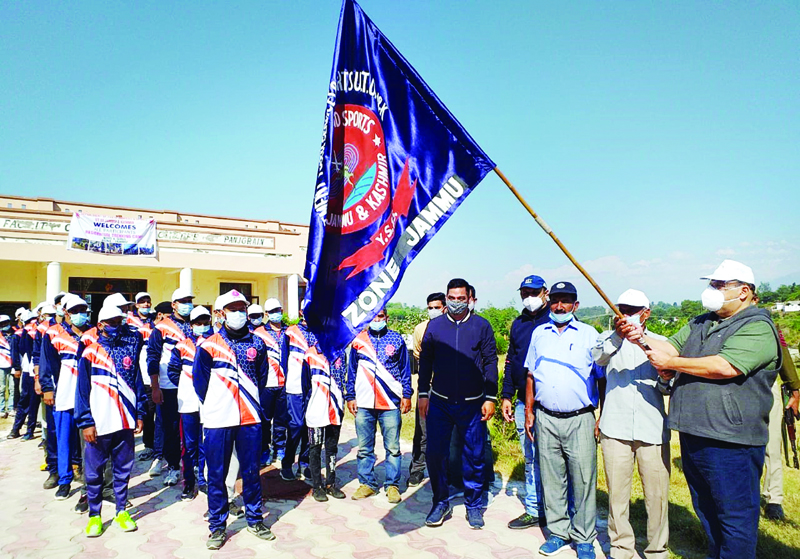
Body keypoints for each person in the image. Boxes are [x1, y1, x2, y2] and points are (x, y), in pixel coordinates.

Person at [622, 260, 781, 559]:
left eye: (720, 285)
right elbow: (670, 346)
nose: (712, 290)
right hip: (694, 432)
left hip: (732, 441)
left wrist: (671, 364)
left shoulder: (757, 327)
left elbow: (725, 366)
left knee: (735, 517)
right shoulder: (702, 322)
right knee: (707, 510)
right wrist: (641, 337)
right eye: (712, 284)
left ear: (744, 292)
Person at [524, 281, 604, 559]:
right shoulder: (539, 333)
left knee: (583, 480)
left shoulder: (590, 335)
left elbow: (601, 378)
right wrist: (529, 411)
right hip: (545, 417)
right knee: (551, 478)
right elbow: (531, 374)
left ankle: (584, 537)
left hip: (580, 418)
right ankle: (558, 532)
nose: (559, 306)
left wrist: (601, 416)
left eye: (566, 301)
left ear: (575, 305)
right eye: (556, 300)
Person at [193, 289, 275, 550]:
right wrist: (218, 405)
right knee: (217, 474)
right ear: (220, 313)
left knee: (251, 472)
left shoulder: (257, 343)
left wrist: (253, 405)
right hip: (218, 420)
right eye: (233, 309)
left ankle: (254, 519)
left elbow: (262, 378)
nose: (239, 313)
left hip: (250, 419)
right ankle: (217, 526)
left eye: (242, 308)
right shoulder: (208, 346)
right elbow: (200, 384)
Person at [593, 289, 670, 559]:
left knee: (657, 496)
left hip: (653, 428)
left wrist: (665, 375)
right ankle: (620, 548)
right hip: (615, 428)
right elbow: (598, 359)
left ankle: (657, 550)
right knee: (617, 495)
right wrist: (618, 336)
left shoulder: (661, 343)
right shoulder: (607, 339)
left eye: (632, 311)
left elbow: (668, 385)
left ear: (646, 313)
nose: (625, 315)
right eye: (621, 310)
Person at [418, 278, 498, 529]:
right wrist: (422, 394)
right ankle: (440, 502)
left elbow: (490, 362)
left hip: (472, 403)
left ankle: (474, 505)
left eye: (461, 298)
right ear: (446, 298)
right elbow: (425, 362)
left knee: (474, 455)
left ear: (470, 299)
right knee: (435, 454)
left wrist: (491, 397)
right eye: (451, 298)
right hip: (440, 402)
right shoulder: (435, 327)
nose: (455, 302)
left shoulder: (481, 326)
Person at [75, 304, 145, 537]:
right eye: (112, 323)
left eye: (119, 322)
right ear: (100, 325)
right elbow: (82, 391)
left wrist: (139, 413)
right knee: (94, 472)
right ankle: (95, 515)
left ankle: (121, 511)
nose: (117, 326)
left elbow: (137, 382)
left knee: (123, 469)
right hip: (99, 422)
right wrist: (86, 422)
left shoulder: (129, 349)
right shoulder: (90, 352)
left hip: (124, 421)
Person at [346, 308, 412, 503]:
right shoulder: (358, 340)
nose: (377, 320)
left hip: (390, 402)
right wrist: (350, 396)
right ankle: (367, 483)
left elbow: (405, 369)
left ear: (387, 318)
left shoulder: (396, 339)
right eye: (373, 316)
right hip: (364, 402)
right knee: (364, 448)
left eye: (380, 316)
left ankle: (392, 485)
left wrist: (407, 395)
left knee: (392, 447)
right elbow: (352, 370)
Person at [501, 275, 550, 530]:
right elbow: (511, 360)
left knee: (554, 460)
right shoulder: (518, 324)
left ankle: (558, 511)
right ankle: (533, 509)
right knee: (530, 458)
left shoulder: (554, 321)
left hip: (550, 403)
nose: (529, 297)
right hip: (523, 402)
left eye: (534, 292)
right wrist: (506, 395)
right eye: (525, 293)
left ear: (545, 292)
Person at [39, 295, 92, 500]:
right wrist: (47, 388)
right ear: (67, 314)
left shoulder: (93, 333)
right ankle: (64, 480)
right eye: (75, 311)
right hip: (64, 392)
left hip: (88, 395)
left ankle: (90, 480)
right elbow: (46, 363)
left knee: (90, 440)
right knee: (63, 438)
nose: (79, 315)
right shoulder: (54, 334)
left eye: (83, 310)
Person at [146, 288, 195, 485]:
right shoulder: (161, 328)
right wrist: (155, 386)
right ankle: (173, 466)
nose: (187, 305)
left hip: (193, 385)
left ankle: (194, 465)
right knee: (171, 428)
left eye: (189, 300)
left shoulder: (196, 324)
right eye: (183, 301)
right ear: (173, 305)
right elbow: (152, 357)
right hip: (169, 386)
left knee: (193, 428)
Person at [167, 305, 212, 500]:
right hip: (187, 403)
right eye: (198, 323)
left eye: (205, 322)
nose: (202, 326)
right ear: (191, 325)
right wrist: (187, 385)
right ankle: (189, 482)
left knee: (206, 443)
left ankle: (204, 480)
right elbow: (172, 371)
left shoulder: (215, 344)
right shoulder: (181, 346)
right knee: (189, 445)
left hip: (209, 401)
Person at [761, 327, 800, 520]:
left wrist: (794, 387)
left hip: (766, 385)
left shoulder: (766, 324)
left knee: (772, 446)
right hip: (731, 387)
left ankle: (773, 498)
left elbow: (783, 352)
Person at [408, 292, 446, 487]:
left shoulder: (452, 328)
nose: (433, 311)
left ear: (444, 308)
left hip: (448, 388)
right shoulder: (420, 329)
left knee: (446, 432)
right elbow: (418, 356)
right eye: (430, 308)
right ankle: (417, 468)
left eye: (436, 307)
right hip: (427, 388)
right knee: (422, 430)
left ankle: (444, 470)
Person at [303, 345, 346, 501]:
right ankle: (317, 486)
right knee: (315, 448)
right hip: (316, 409)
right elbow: (305, 385)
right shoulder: (309, 355)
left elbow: (344, 379)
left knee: (332, 448)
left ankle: (330, 484)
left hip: (335, 408)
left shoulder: (340, 353)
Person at [252, 298, 288, 466]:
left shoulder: (289, 332)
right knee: (265, 420)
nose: (276, 314)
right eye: (272, 311)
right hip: (267, 383)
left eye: (278, 310)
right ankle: (264, 449)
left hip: (285, 383)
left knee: (281, 419)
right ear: (266, 314)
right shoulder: (258, 333)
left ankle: (280, 447)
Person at [280, 310, 315, 480]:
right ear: (301, 312)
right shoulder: (290, 332)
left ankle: (305, 462)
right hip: (294, 388)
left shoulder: (320, 332)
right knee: (296, 425)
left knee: (310, 426)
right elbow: (283, 360)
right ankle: (287, 463)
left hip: (314, 388)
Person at [8, 310, 39, 440]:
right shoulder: (33, 330)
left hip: (30, 369)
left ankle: (20, 430)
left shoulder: (27, 331)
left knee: (26, 401)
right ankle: (25, 430)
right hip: (32, 369)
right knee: (31, 401)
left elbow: (21, 349)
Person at [0, 315, 14, 418]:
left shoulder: (14, 334)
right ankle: (1, 409)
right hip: (1, 364)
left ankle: (10, 407)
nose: (4, 325)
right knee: (2, 388)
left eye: (6, 322)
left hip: (12, 364)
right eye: (2, 323)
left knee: (12, 388)